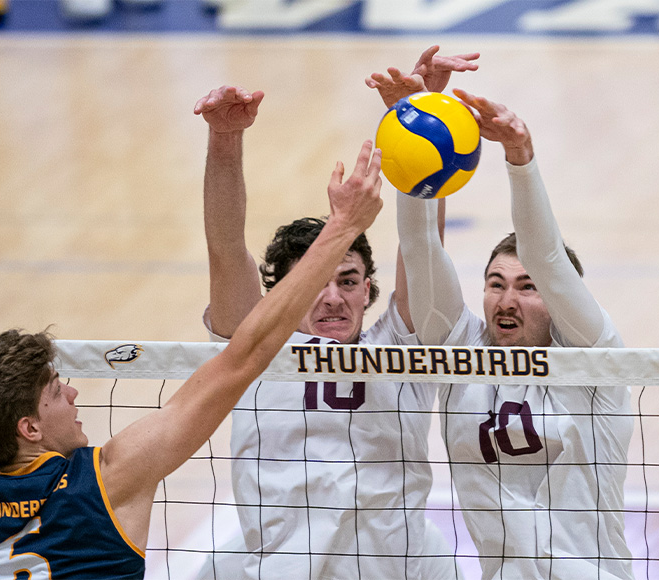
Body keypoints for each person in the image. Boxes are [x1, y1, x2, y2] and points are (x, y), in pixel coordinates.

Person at [0, 138, 384, 579]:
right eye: (54, 391)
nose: (72, 389)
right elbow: (244, 357)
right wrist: (342, 227)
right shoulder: (109, 479)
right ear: (29, 428)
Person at [192, 53, 477, 580]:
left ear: (367, 289)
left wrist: (418, 115)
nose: (332, 298)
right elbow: (226, 249)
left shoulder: (399, 349)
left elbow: (422, 245)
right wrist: (225, 140)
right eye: (315, 281)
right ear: (283, 291)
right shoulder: (253, 353)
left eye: (347, 281)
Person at [368, 54, 635, 579]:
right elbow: (420, 245)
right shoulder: (462, 353)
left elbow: (550, 260)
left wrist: (519, 154)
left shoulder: (592, 362)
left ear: (558, 300)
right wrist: (413, 122)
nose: (506, 300)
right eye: (495, 284)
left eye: (526, 287)